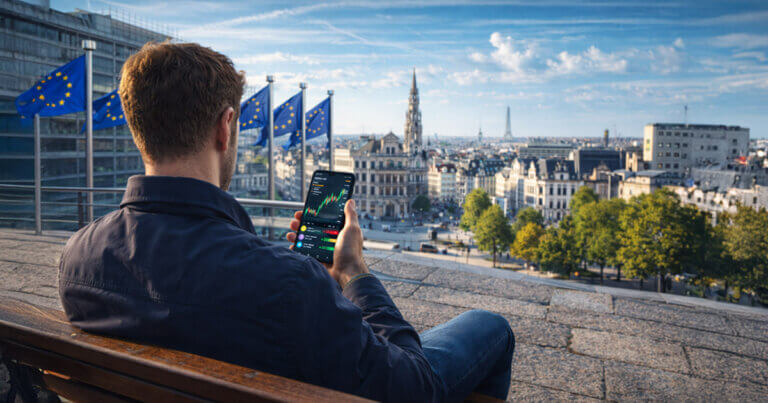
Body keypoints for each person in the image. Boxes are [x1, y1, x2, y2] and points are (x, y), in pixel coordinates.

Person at [58, 42, 514, 402]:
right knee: (489, 325)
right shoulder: (287, 282)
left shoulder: (77, 259)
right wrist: (352, 273)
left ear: (139, 128)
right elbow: (412, 388)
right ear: (226, 126)